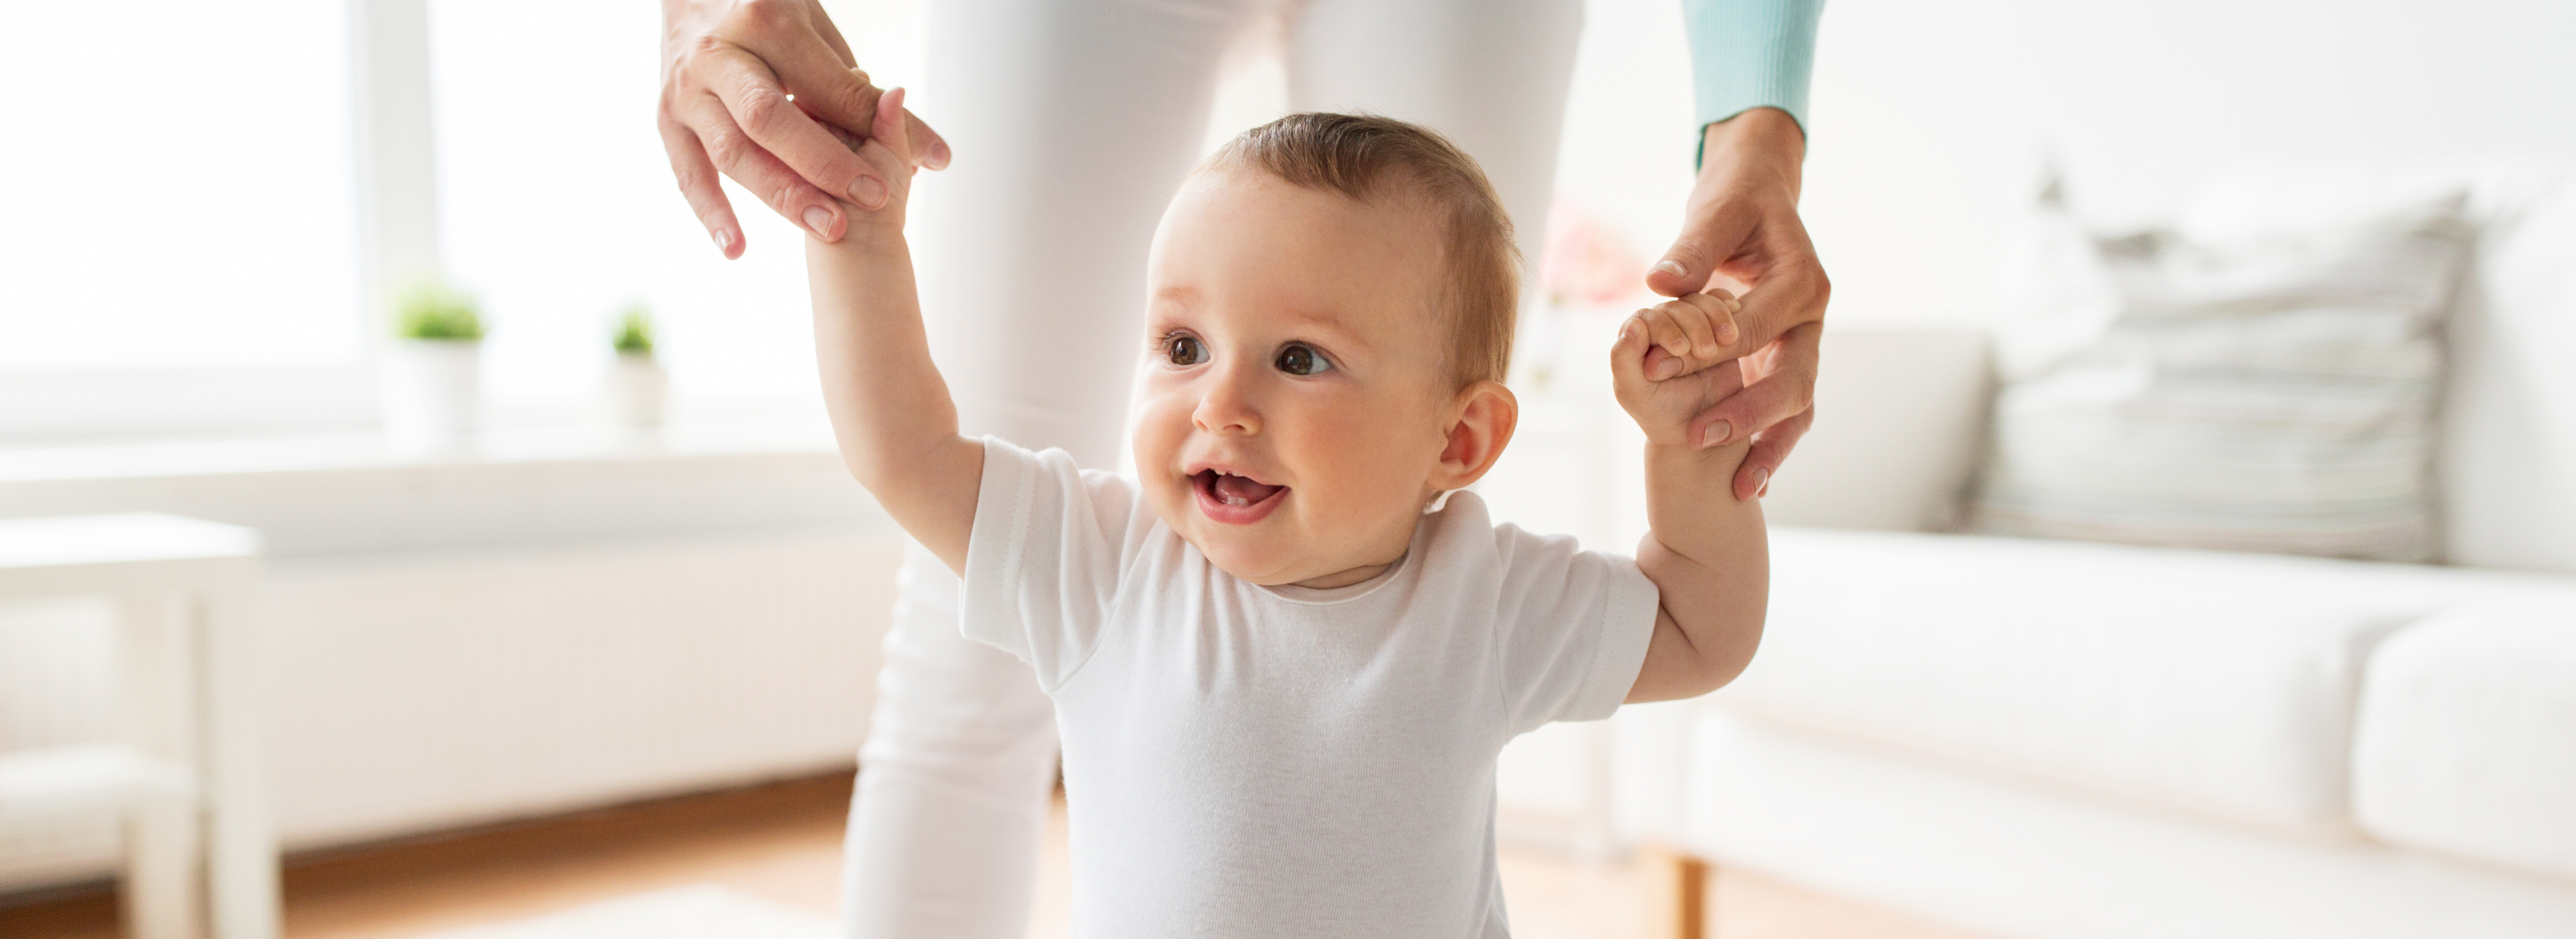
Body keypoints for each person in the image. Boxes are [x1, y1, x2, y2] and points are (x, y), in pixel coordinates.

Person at [657, 1, 1827, 934]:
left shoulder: (1484, 597)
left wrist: (1686, 455)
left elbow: (1699, 631)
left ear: (1459, 443)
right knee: (952, 687)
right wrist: (858, 239)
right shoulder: (1104, 563)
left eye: (1301, 357)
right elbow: (902, 450)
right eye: (1181, 346)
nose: (1220, 401)